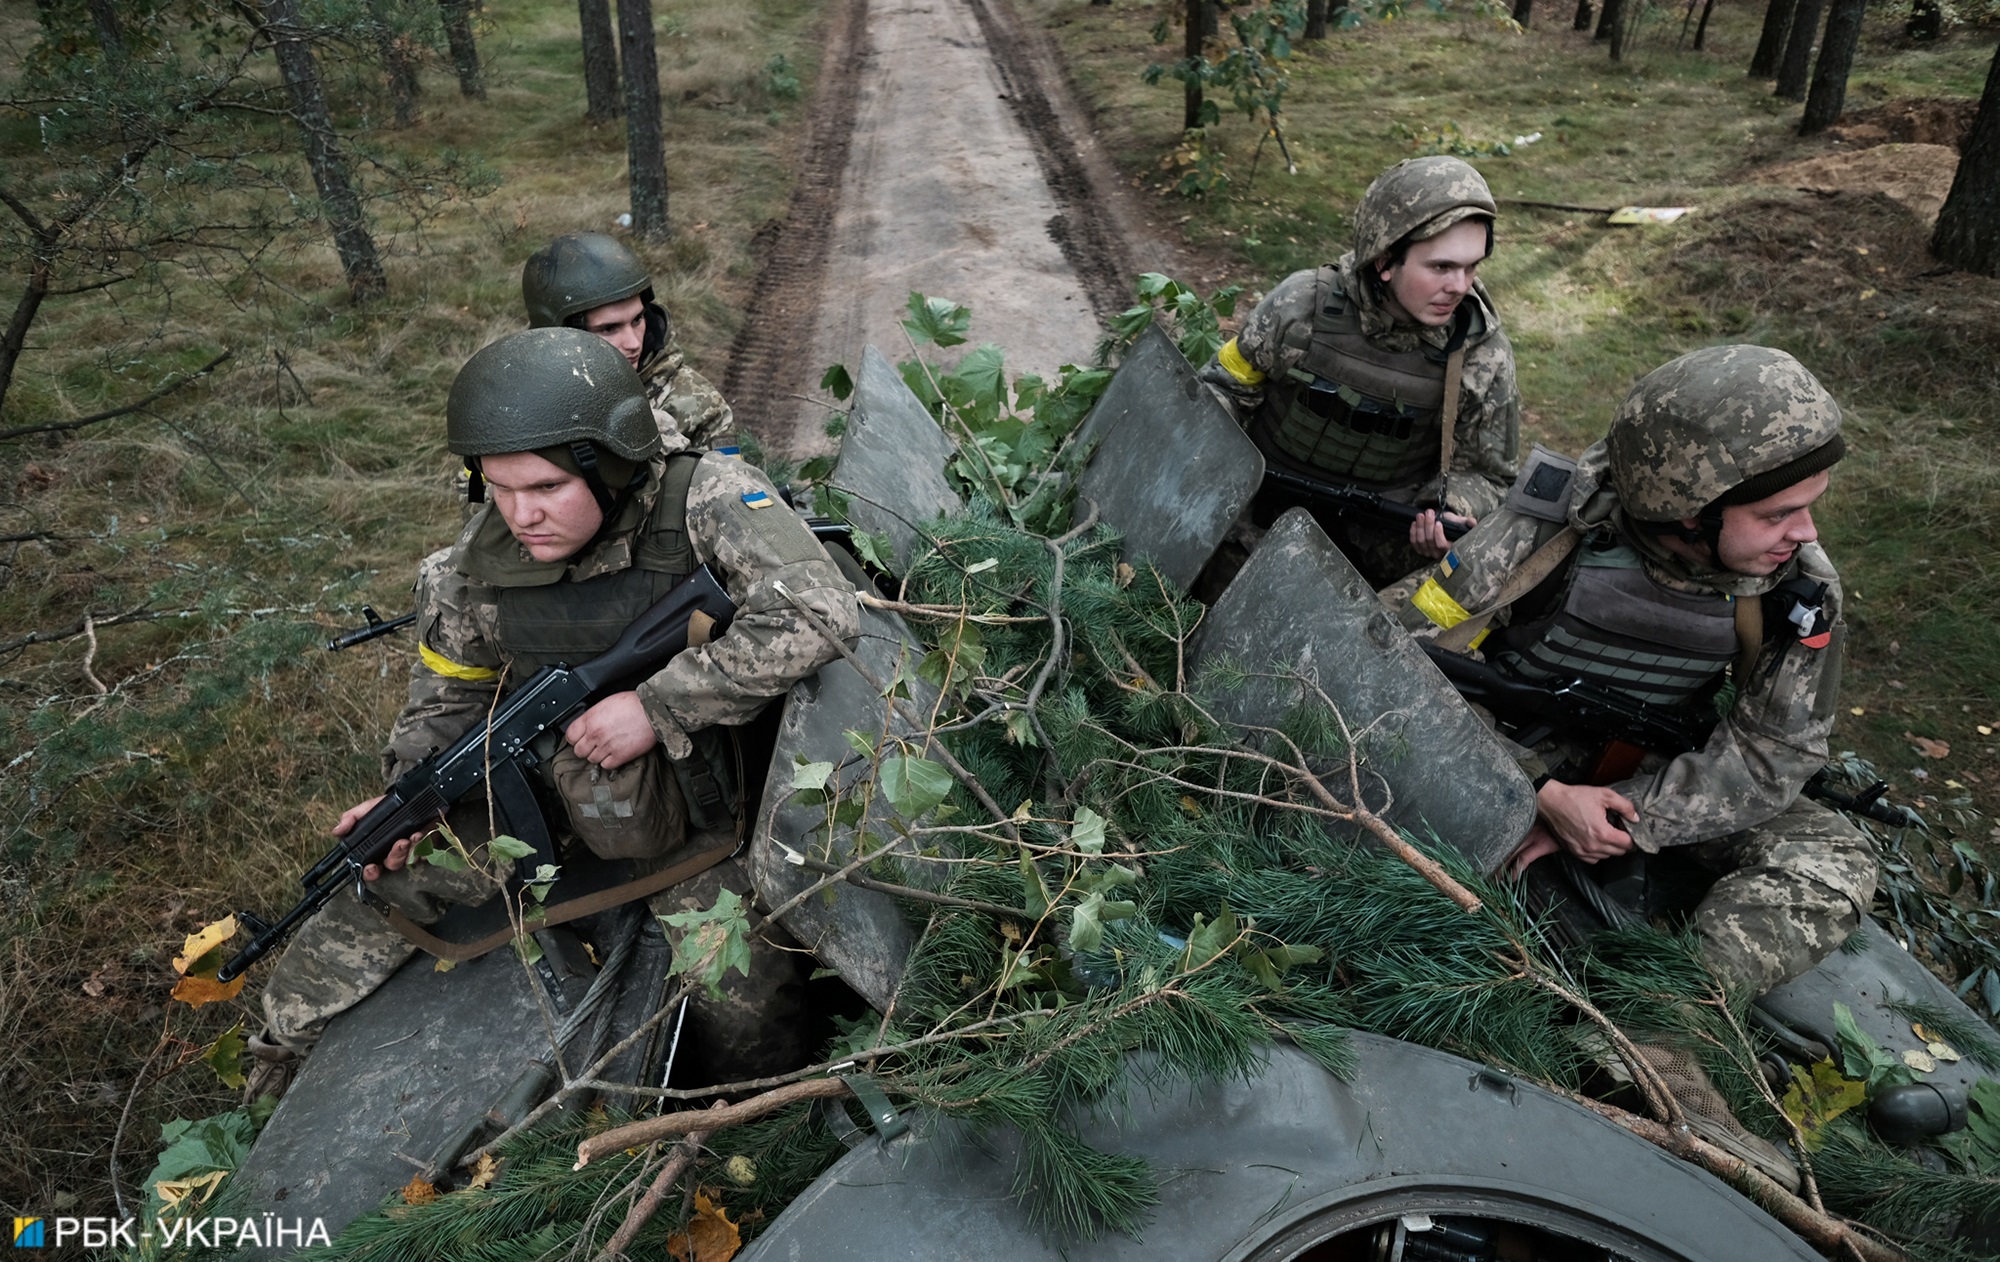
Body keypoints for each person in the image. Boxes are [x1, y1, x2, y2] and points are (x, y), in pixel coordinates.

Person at [248, 328, 858, 1097]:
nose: (520, 515)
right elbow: (450, 696)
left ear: (609, 466)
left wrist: (656, 706)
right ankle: (273, 1065)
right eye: (499, 489)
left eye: (544, 488)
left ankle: (757, 1124)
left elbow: (821, 612)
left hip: (702, 819)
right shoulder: (469, 569)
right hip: (549, 792)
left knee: (743, 1001)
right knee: (374, 894)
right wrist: (408, 797)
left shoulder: (707, 500)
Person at [1402, 344, 1876, 1183]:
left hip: (1652, 771)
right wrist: (1534, 790)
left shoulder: (1796, 590)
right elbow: (1396, 653)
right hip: (1507, 754)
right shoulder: (1547, 531)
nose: (1805, 534)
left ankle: (1666, 1018)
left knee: (1832, 856)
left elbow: (1776, 751)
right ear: (1691, 510)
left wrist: (1633, 811)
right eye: (1778, 514)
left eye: (1810, 508)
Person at [1198, 156, 1521, 588]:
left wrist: (1448, 508)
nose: (1460, 287)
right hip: (1258, 513)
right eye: (1441, 267)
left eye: (1472, 267)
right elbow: (1221, 393)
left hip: (1381, 542)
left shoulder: (1481, 353)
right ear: (1385, 260)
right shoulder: (1300, 308)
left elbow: (1489, 474)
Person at [523, 231, 736, 453]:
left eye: (638, 319)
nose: (634, 343)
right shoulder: (519, 396)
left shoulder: (700, 405)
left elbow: (732, 474)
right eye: (609, 328)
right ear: (561, 334)